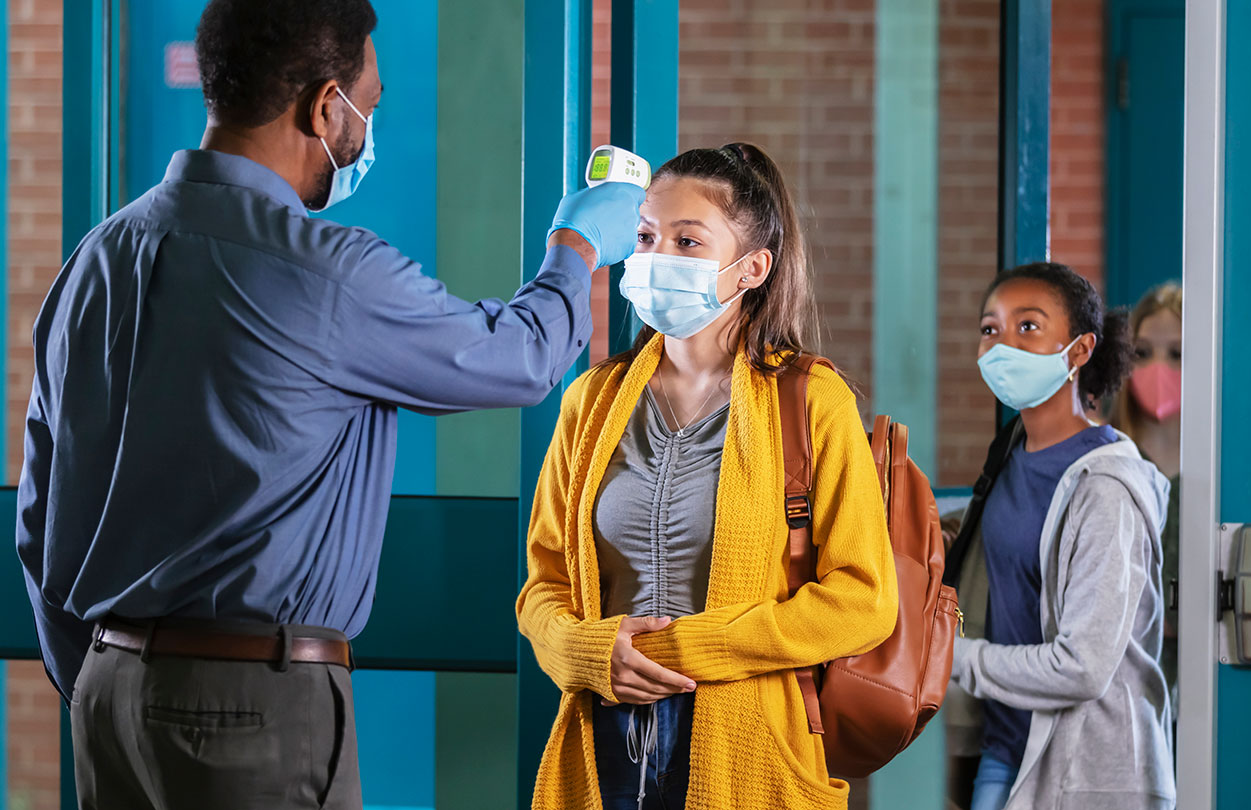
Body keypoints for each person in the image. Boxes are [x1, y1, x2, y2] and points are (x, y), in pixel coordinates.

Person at [15, 1, 644, 807]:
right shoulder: (323, 271)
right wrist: (576, 247)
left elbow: (39, 512)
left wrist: (106, 671)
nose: (366, 132)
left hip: (105, 700)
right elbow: (520, 360)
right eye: (368, 106)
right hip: (251, 708)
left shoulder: (96, 259)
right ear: (324, 106)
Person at [515, 143, 899, 810]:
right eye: (645, 235)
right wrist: (586, 651)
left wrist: (688, 647)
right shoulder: (591, 402)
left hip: (750, 750)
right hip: (601, 745)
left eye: (687, 241)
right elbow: (542, 587)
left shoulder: (812, 401)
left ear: (751, 268)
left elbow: (864, 600)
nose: (657, 255)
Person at [948, 263, 1175, 810]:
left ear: (1078, 350)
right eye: (990, 329)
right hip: (1006, 751)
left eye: (1028, 326)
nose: (1003, 344)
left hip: (1087, 772)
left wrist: (952, 660)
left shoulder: (1106, 489)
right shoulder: (1011, 452)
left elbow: (1082, 667)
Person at [1109, 283, 1182, 712]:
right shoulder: (1106, 459)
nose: (1157, 367)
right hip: (1120, 694)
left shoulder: (1228, 472)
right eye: (1143, 352)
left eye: (1176, 354)